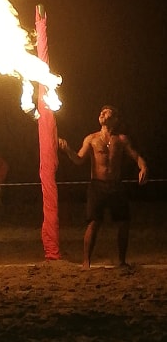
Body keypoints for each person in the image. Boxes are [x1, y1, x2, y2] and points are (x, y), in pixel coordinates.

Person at [59, 104, 148, 270]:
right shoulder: (91, 139)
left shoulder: (121, 139)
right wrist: (67, 149)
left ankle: (121, 261)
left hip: (116, 185)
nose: (102, 113)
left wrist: (144, 168)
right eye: (101, 112)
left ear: (115, 119)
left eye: (107, 112)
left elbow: (136, 157)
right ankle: (86, 262)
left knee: (124, 222)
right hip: (97, 186)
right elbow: (79, 159)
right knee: (94, 222)